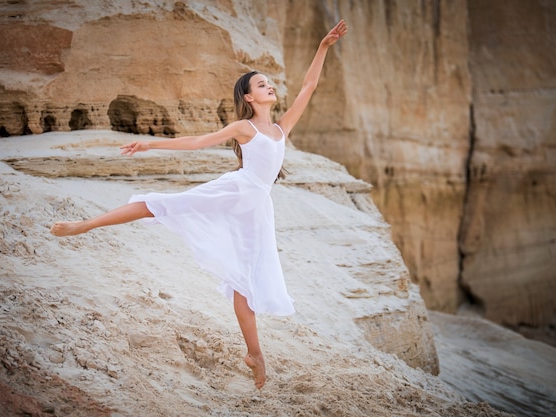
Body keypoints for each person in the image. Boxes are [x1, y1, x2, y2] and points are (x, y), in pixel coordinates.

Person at [50, 19, 348, 390]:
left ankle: (255, 353)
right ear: (249, 98)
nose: (268, 85)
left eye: (268, 82)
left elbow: (309, 86)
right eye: (260, 84)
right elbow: (197, 142)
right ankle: (85, 225)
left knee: (246, 282)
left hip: (256, 209)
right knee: (163, 205)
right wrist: (150, 144)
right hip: (235, 192)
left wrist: (323, 47)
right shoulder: (246, 129)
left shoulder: (280, 129)